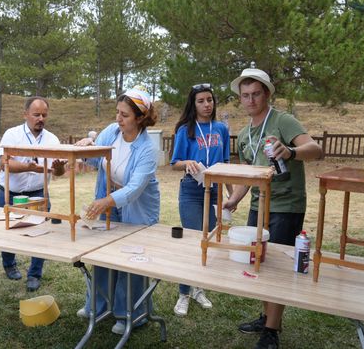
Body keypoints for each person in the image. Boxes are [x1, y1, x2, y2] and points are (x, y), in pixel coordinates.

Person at [223, 68, 322, 349]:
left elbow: (316, 149)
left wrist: (291, 152)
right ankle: (266, 316)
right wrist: (235, 200)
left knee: (277, 266)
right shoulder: (244, 134)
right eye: (245, 95)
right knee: (261, 262)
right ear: (240, 99)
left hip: (286, 204)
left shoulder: (283, 120)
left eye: (256, 94)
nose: (251, 100)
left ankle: (271, 331)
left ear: (266, 94)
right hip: (259, 204)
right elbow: (248, 175)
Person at [74, 86, 160, 335]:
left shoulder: (146, 149)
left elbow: (134, 189)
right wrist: (84, 149)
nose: (118, 119)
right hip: (110, 201)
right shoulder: (112, 132)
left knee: (131, 260)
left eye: (124, 115)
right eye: (117, 112)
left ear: (140, 118)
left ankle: (130, 314)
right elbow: (94, 159)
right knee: (101, 254)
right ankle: (97, 307)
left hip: (137, 208)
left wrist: (106, 201)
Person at [170, 83, 232, 317]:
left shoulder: (221, 129)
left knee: (208, 240)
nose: (207, 105)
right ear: (193, 105)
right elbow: (175, 163)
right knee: (192, 241)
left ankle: (199, 288)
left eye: (210, 100)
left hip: (215, 191)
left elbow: (225, 164)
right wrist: (187, 163)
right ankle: (184, 293)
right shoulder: (185, 129)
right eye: (201, 101)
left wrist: (230, 195)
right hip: (191, 191)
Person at [0, 96, 66, 292]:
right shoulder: (12, 134)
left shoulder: (52, 140)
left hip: (38, 193)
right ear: (25, 114)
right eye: (36, 114)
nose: (40, 118)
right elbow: (5, 163)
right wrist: (30, 167)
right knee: (8, 231)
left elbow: (59, 173)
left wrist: (59, 168)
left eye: (44, 115)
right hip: (10, 192)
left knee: (41, 233)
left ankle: (35, 274)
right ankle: (9, 265)